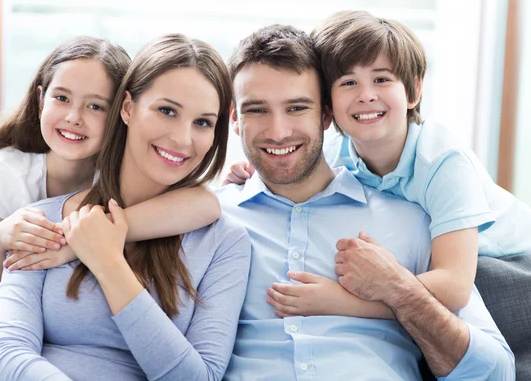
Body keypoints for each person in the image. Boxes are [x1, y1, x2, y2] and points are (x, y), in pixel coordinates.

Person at [217, 24, 514, 380]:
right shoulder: (207, 220)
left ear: (325, 115)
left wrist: (398, 290)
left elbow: (495, 371)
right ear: (234, 118)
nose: (278, 131)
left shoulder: (417, 211)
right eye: (257, 110)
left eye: (297, 107)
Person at [0, 33, 251, 380]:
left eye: (202, 122)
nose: (183, 139)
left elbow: (198, 377)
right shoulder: (43, 220)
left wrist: (109, 263)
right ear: (127, 108)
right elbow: (8, 354)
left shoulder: (225, 243)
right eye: (167, 111)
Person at [0, 36, 221, 298]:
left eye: (96, 106)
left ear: (121, 113)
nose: (74, 117)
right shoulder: (8, 173)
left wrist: (88, 237)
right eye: (62, 98)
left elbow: (205, 205)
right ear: (41, 101)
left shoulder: (122, 170)